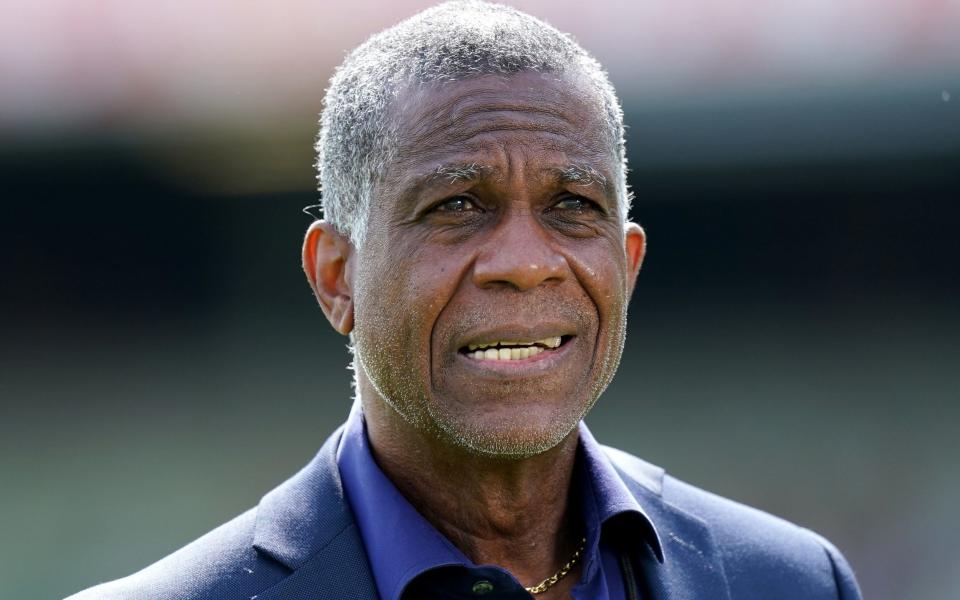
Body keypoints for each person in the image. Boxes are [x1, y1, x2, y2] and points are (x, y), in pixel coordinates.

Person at [68, 2, 862, 599]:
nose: (524, 263)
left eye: (573, 205)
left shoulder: (792, 581)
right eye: (456, 206)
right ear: (335, 277)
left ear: (626, 267)